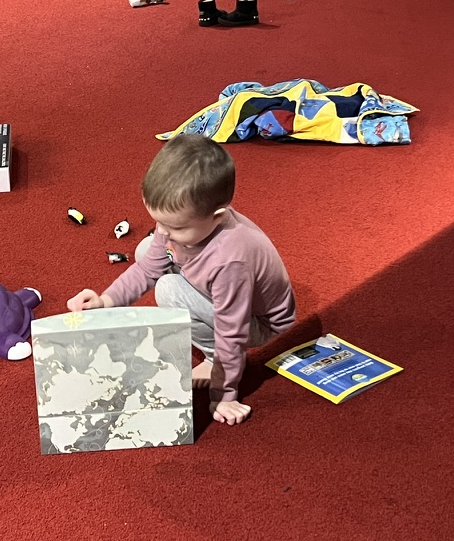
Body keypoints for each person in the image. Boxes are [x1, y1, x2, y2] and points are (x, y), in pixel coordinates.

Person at [67, 133, 296, 426]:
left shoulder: (230, 262)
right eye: (159, 222)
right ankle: (210, 348)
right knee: (146, 250)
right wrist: (105, 300)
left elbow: (232, 332)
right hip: (220, 289)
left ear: (217, 217)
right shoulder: (185, 224)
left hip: (259, 322)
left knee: (169, 290)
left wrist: (224, 395)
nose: (163, 231)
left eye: (175, 227)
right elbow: (146, 269)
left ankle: (213, 360)